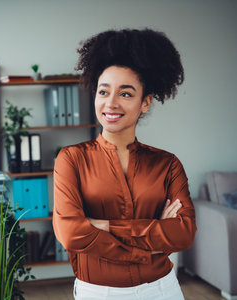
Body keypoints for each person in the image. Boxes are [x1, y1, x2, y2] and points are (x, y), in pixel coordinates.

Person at [52, 28, 197, 300]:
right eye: (103, 91)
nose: (111, 103)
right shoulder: (71, 159)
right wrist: (150, 240)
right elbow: (71, 233)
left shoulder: (168, 164)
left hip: (162, 290)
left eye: (126, 94)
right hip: (98, 293)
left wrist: (104, 226)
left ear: (146, 102)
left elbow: (183, 233)